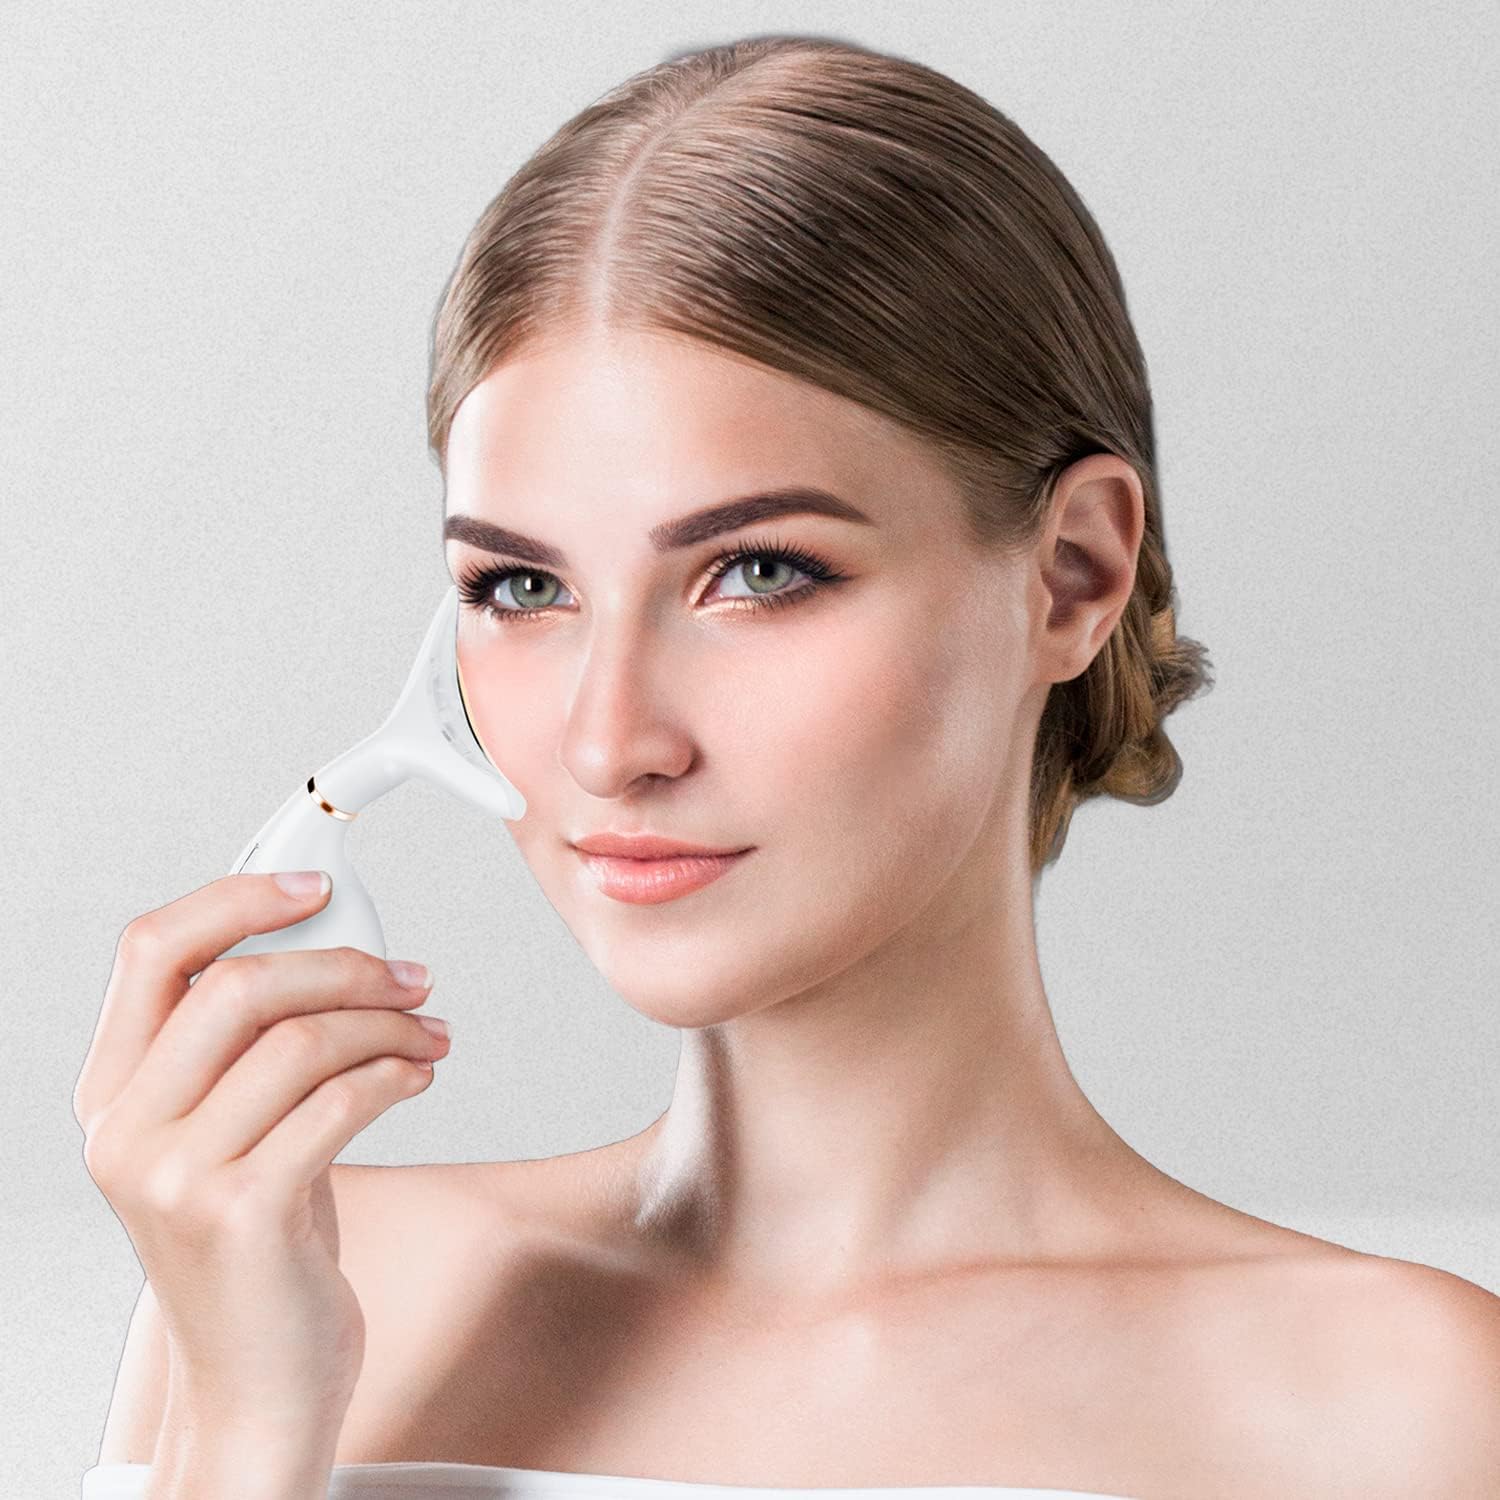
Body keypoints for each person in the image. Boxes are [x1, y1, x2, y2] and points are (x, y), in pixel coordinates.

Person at [80, 31, 1500, 1500]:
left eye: (760, 571)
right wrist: (249, 1423)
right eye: (523, 588)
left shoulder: (1401, 1410)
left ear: (1074, 575)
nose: (611, 743)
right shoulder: (282, 1283)